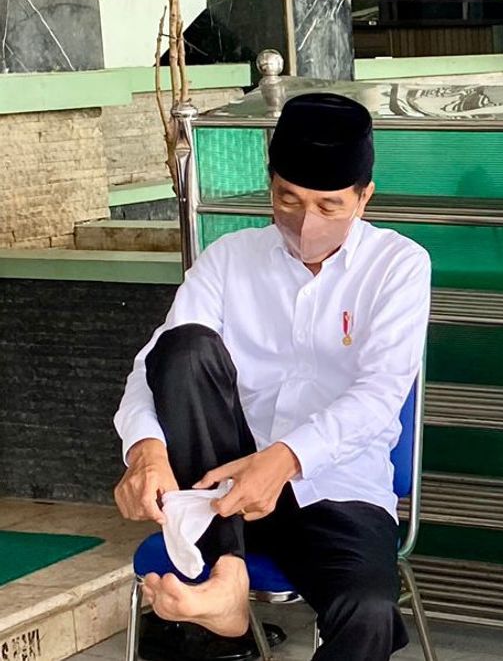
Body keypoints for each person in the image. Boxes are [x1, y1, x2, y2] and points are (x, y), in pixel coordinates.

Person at [113, 92, 431, 661]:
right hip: (222, 489)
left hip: (337, 488)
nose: (306, 221)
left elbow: (379, 395)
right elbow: (153, 364)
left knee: (368, 613)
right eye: (288, 198)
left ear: (365, 197)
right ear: (270, 184)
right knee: (184, 348)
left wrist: (282, 460)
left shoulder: (399, 266)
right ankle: (228, 575)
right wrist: (145, 452)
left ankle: (222, 589)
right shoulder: (229, 258)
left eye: (329, 206)